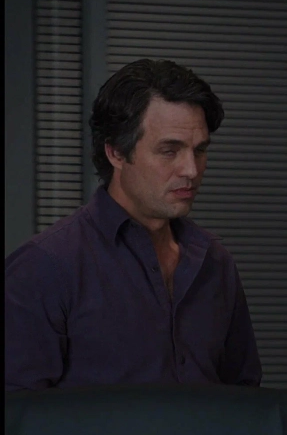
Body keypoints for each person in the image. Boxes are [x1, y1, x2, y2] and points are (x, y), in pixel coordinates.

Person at [5, 59, 262, 391]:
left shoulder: (215, 262)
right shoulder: (43, 268)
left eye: (199, 151)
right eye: (169, 151)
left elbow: (245, 399)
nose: (191, 170)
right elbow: (19, 417)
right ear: (116, 153)